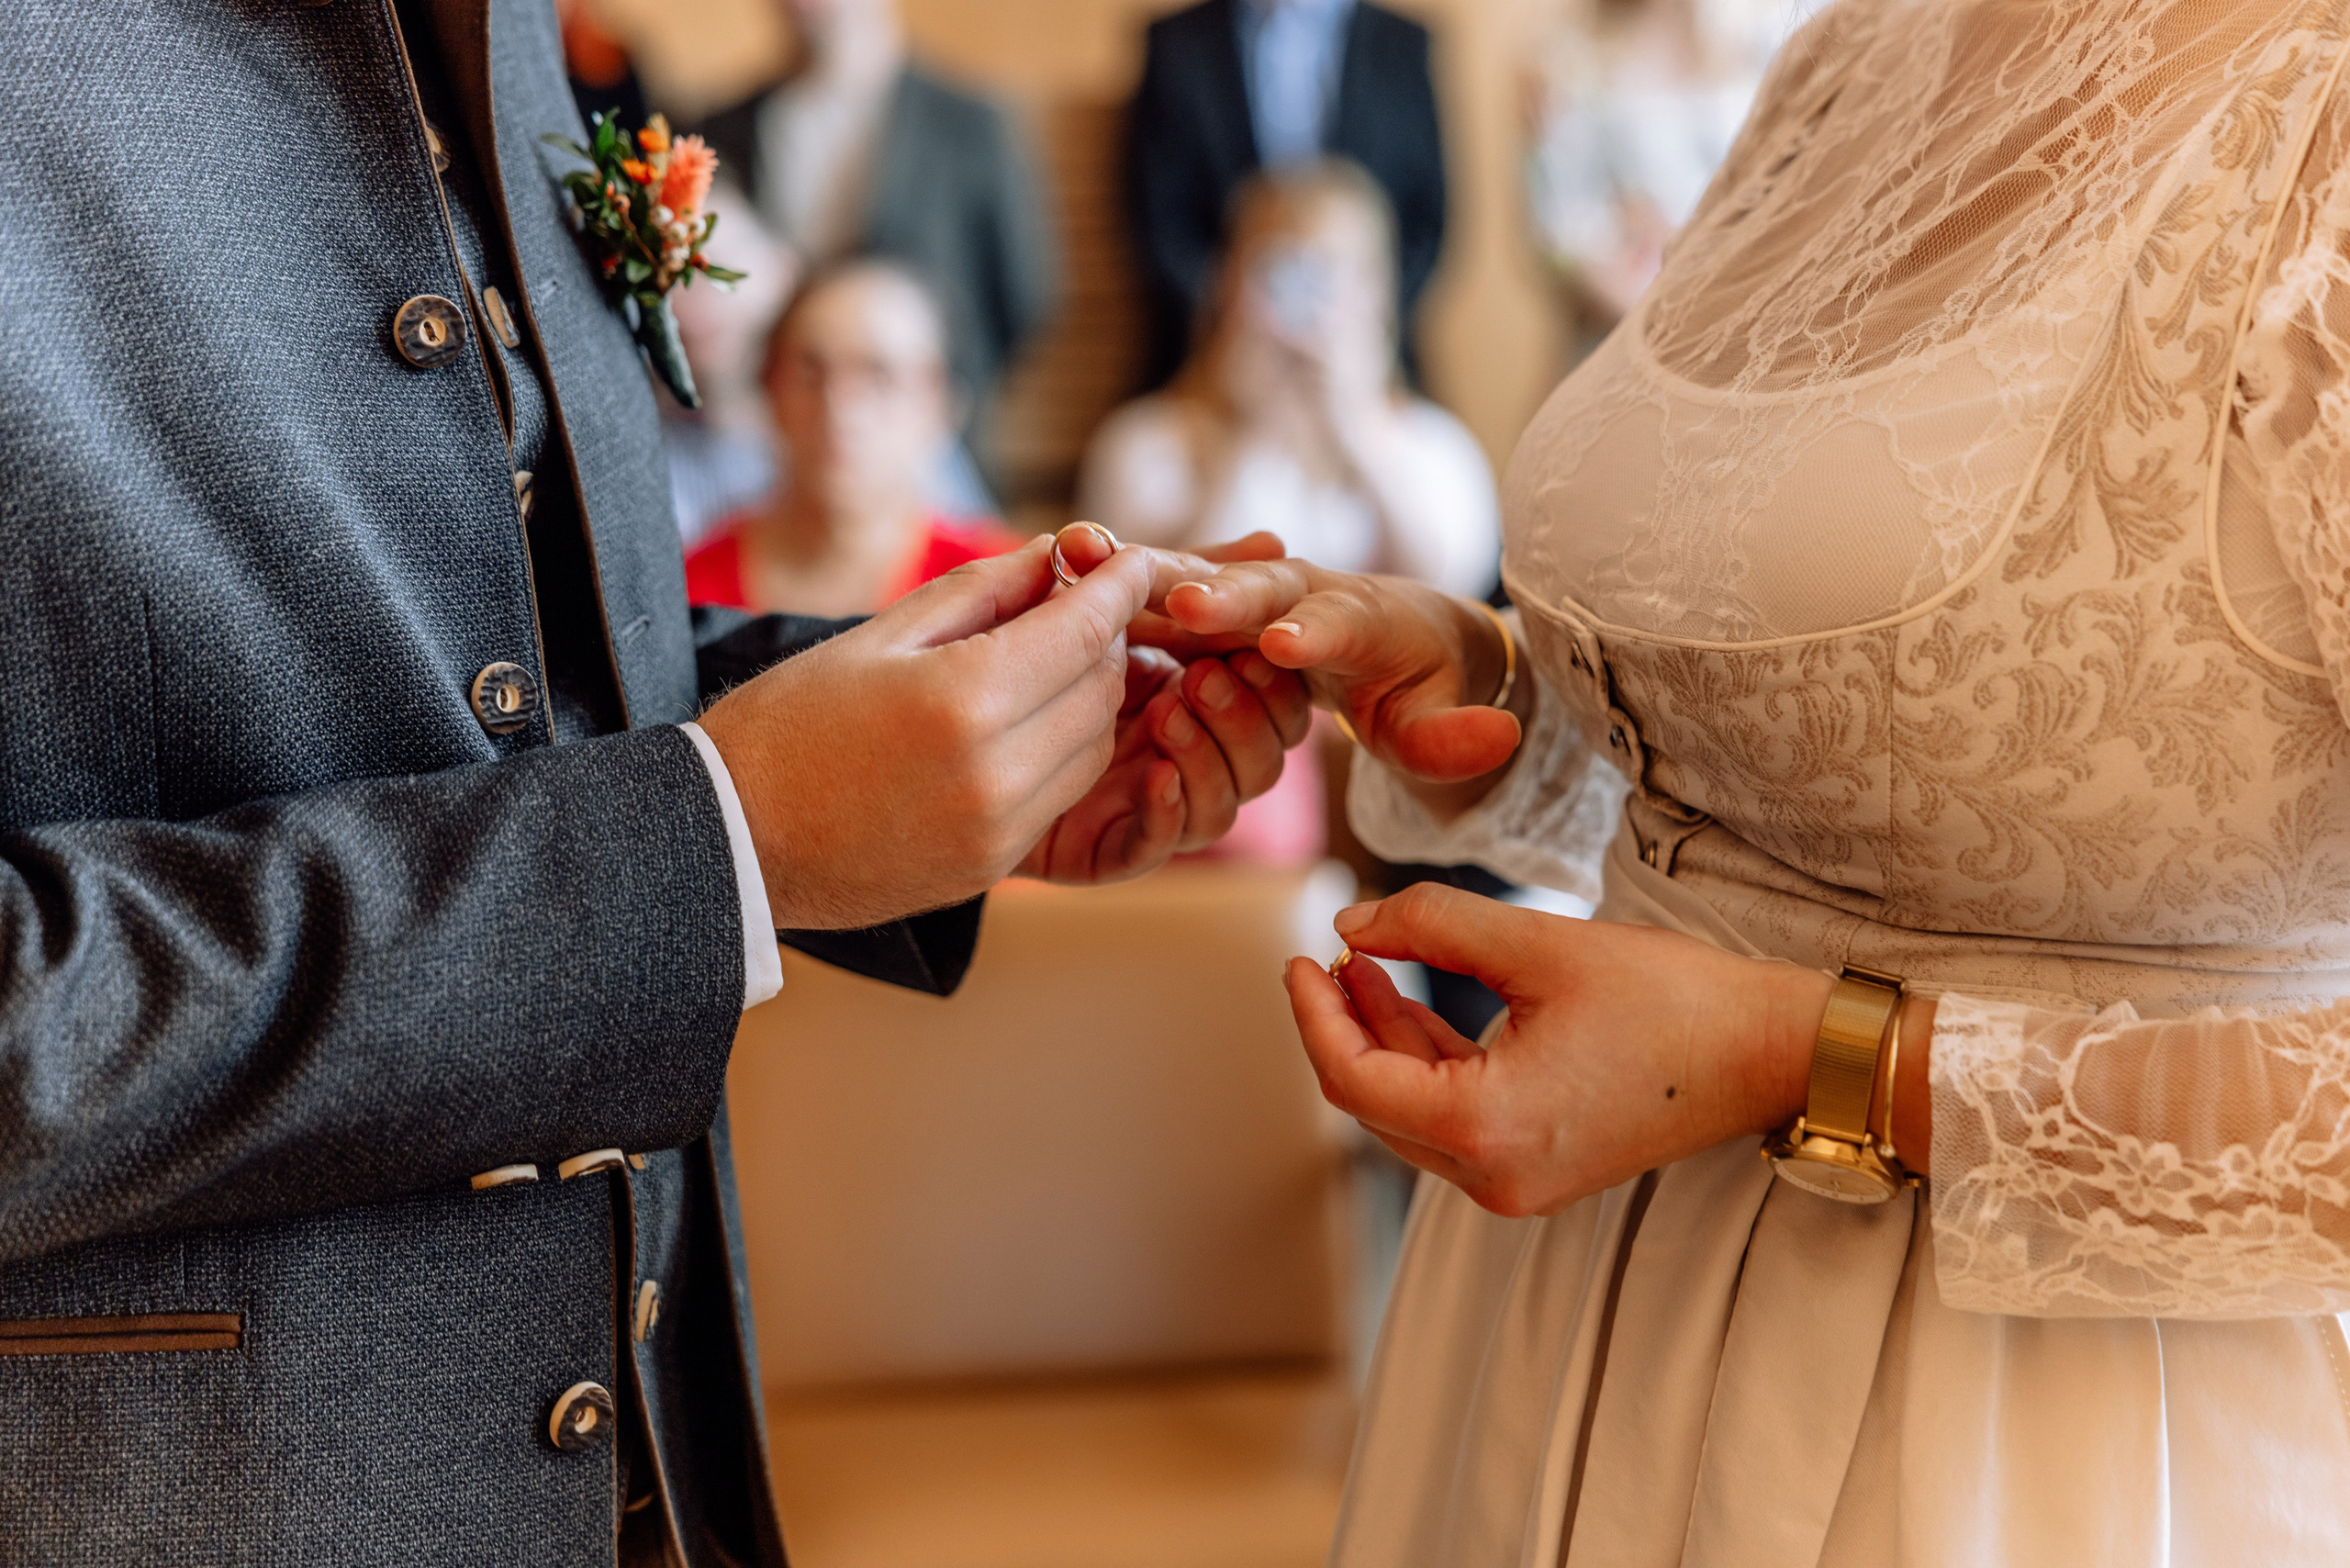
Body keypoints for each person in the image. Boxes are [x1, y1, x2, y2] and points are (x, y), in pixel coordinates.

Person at [0, 2, 1300, 1561]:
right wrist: (717, 837)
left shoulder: (505, 36)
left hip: (655, 1452)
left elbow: (490, 637)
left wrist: (960, 736)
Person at [1147, 0, 2350, 1559]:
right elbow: (1879, 727)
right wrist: (1498, 687)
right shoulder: (1854, 48)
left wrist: (1817, 1054)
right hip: (1551, 1323)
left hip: (2042, 1430)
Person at [1081, 161, 1496, 600]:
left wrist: (1353, 428)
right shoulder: (1146, 443)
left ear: (1382, 295)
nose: (1309, 311)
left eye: (1334, 276)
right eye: (1281, 276)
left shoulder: (1436, 446)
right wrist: (1253, 434)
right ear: (1229, 287)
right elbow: (1174, 603)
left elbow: (1452, 595)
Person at [693, 0, 1059, 482]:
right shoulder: (719, 132)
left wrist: (924, 400)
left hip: (929, 458)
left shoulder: (969, 125)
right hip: (762, 456)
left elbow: (1025, 294)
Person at [1126, 0, 1446, 389]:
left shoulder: (1403, 45)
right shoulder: (1176, 45)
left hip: (1370, 362)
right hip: (1209, 358)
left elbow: (1428, 221)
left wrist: (1355, 322)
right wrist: (1236, 317)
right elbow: (1158, 220)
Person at [688, 261, 1019, 617]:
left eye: (880, 376)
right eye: (810, 373)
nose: (840, 409)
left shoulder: (1006, 588)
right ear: (769, 390)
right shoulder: (688, 591)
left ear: (940, 405)